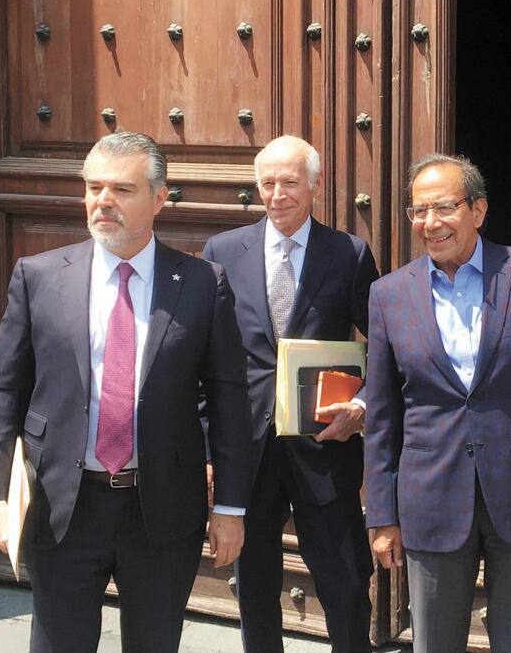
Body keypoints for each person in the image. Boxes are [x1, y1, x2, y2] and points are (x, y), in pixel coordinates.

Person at [0, 131, 253, 652]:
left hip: (162, 511)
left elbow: (229, 401)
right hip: (61, 507)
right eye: (93, 187)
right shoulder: (38, 277)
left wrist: (231, 508)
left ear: (159, 199)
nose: (103, 201)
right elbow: (6, 391)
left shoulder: (202, 282)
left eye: (122, 190)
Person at [365, 153, 511, 652]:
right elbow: (382, 415)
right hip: (430, 498)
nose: (430, 222)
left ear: (479, 210)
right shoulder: (388, 295)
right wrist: (381, 514)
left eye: (444, 207)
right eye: (419, 210)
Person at [202, 135, 379, 652]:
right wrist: (210, 446)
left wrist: (363, 404)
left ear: (315, 186)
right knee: (254, 588)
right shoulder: (222, 251)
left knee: (346, 584)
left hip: (325, 444)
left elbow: (387, 344)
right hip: (247, 451)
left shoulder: (348, 253)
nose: (277, 194)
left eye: (290, 182)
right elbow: (205, 356)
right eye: (267, 183)